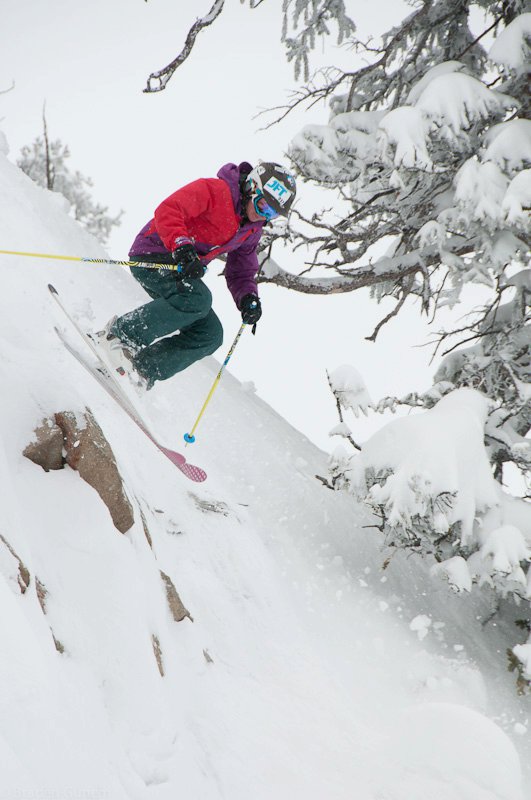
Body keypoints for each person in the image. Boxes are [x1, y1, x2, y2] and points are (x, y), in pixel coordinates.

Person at [98, 161, 296, 390]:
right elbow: (169, 209)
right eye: (262, 205)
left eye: (271, 213)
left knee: (210, 333)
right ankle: (118, 337)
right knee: (198, 299)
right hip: (155, 253)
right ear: (252, 187)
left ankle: (139, 370)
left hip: (181, 268)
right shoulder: (216, 191)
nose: (261, 216)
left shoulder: (251, 231)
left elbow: (241, 270)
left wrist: (247, 297)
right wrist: (181, 245)